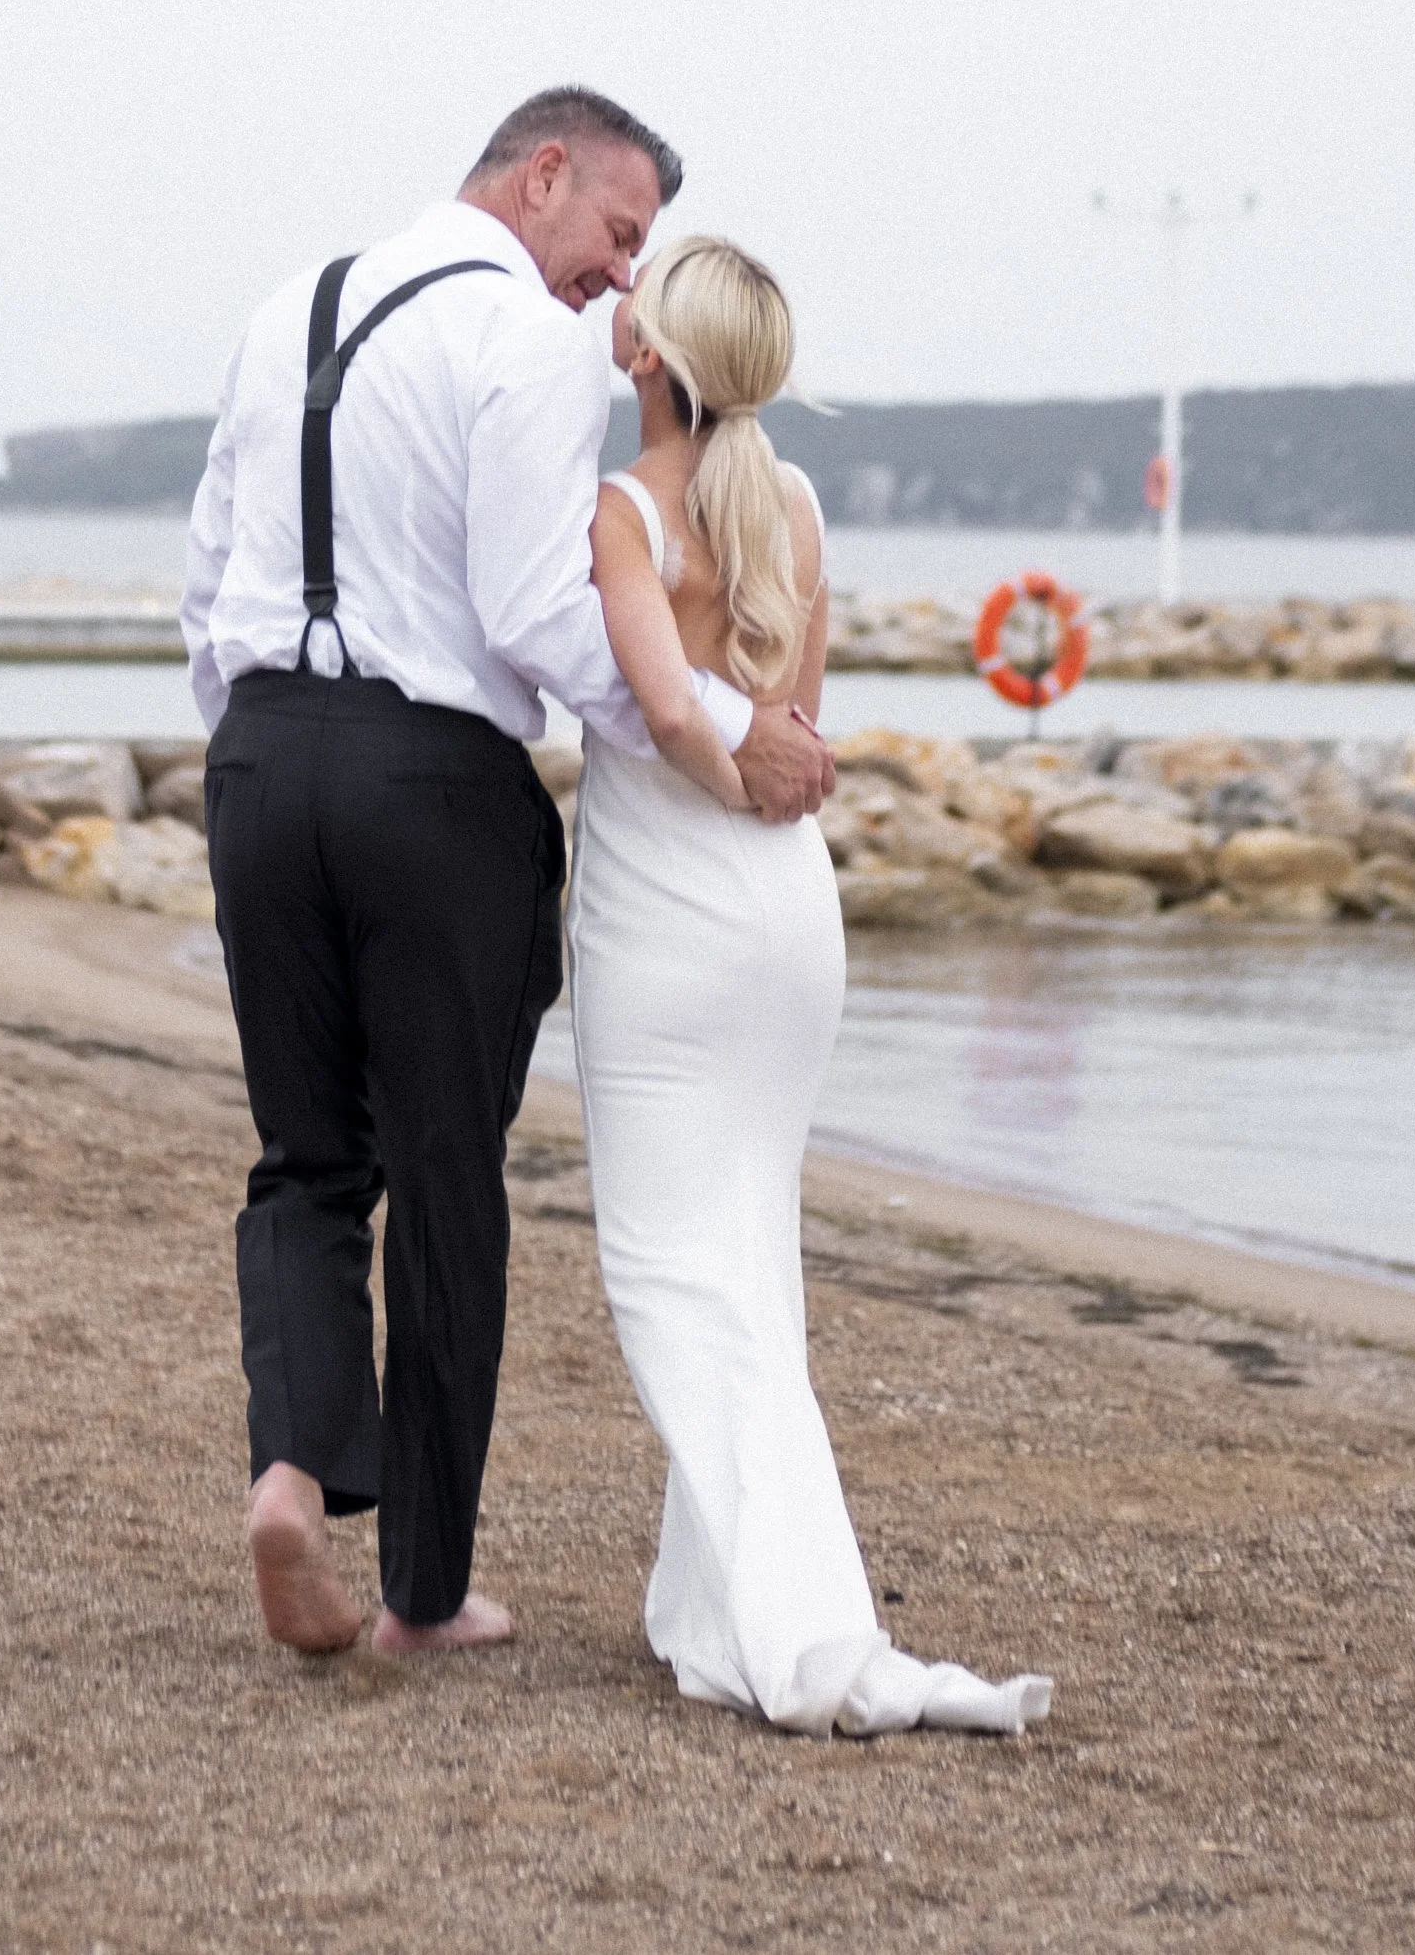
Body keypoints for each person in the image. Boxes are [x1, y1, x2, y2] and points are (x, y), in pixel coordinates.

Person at [181, 89, 834, 1659]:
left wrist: (258, 747)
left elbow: (210, 569)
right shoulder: (525, 340)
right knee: (448, 1183)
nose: (618, 283)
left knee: (304, 1161)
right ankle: (420, 1588)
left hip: (262, 764)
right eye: (617, 235)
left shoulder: (289, 308)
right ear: (545, 173)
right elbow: (539, 611)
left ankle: (289, 1471)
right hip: (432, 785)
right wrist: (717, 742)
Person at [571, 233, 1054, 1735]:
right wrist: (769, 768)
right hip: (789, 921)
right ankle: (705, 1612)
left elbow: (668, 713)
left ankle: (807, 1639)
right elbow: (799, 731)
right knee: (747, 1268)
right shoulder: (793, 504)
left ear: (646, 356)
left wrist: (727, 765)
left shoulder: (623, 514)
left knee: (671, 1274)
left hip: (666, 923)